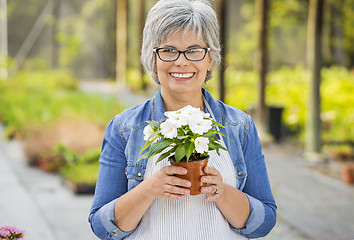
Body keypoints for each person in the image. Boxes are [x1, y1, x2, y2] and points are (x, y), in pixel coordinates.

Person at [89, 0, 277, 239]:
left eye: (194, 50)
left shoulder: (239, 126)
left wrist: (224, 193)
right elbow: (101, 226)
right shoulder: (125, 128)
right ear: (153, 59)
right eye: (168, 50)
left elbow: (265, 222)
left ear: (210, 58)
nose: (181, 61)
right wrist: (148, 189)